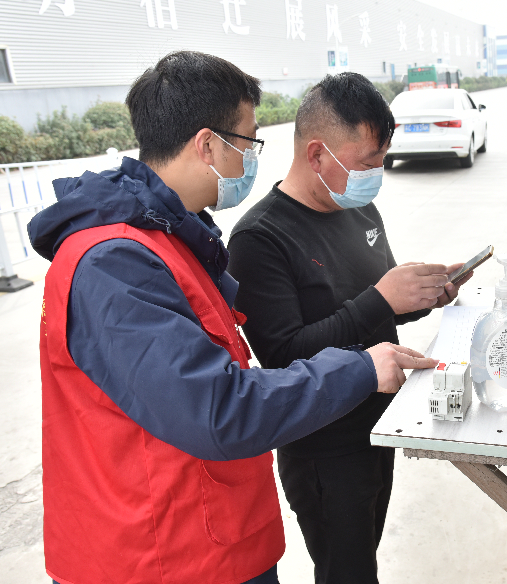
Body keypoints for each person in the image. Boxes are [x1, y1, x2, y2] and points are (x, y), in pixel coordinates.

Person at [26, 51, 436, 584]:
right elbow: (217, 408)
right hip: (158, 555)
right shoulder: (115, 264)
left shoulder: (172, 239)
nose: (253, 157)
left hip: (208, 531)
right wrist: (359, 368)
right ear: (207, 145)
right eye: (248, 141)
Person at [226, 72, 470, 584]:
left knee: (364, 562)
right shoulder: (259, 239)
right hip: (325, 450)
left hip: (378, 426)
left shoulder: (357, 207)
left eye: (381, 161)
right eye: (366, 163)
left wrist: (425, 295)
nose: (375, 176)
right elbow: (285, 356)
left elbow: (383, 308)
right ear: (317, 155)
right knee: (347, 573)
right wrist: (381, 297)